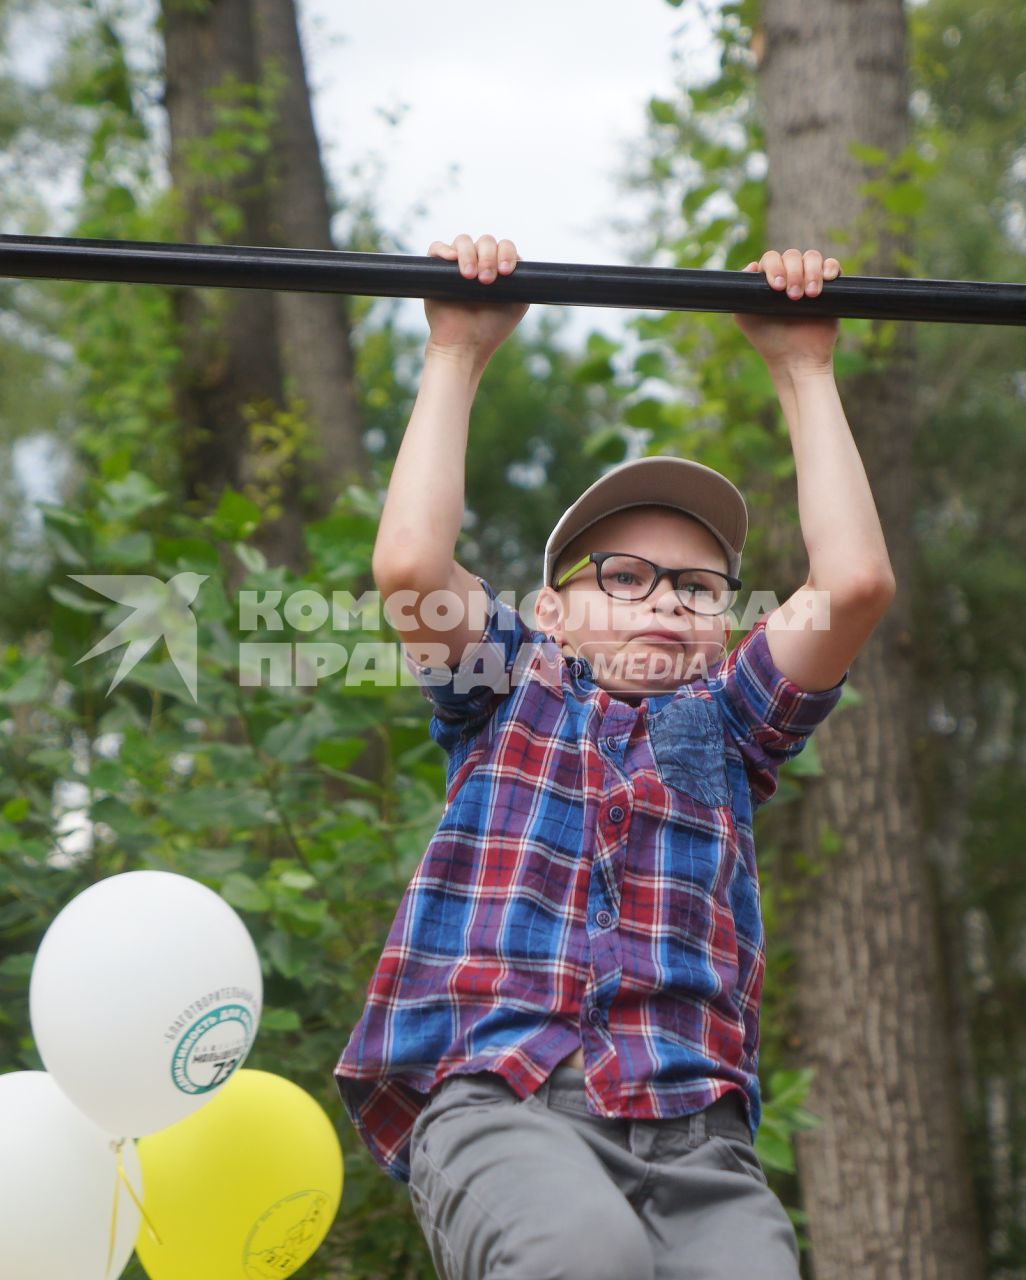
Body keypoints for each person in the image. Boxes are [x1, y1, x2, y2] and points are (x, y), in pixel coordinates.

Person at [334, 232, 897, 1280]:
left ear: (725, 625)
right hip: (505, 1092)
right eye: (625, 575)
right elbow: (409, 560)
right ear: (549, 608)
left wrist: (801, 365)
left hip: (693, 1131)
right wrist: (456, 349)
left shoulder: (728, 722)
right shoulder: (507, 685)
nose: (663, 601)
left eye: (693, 587)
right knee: (577, 1256)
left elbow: (854, 579)